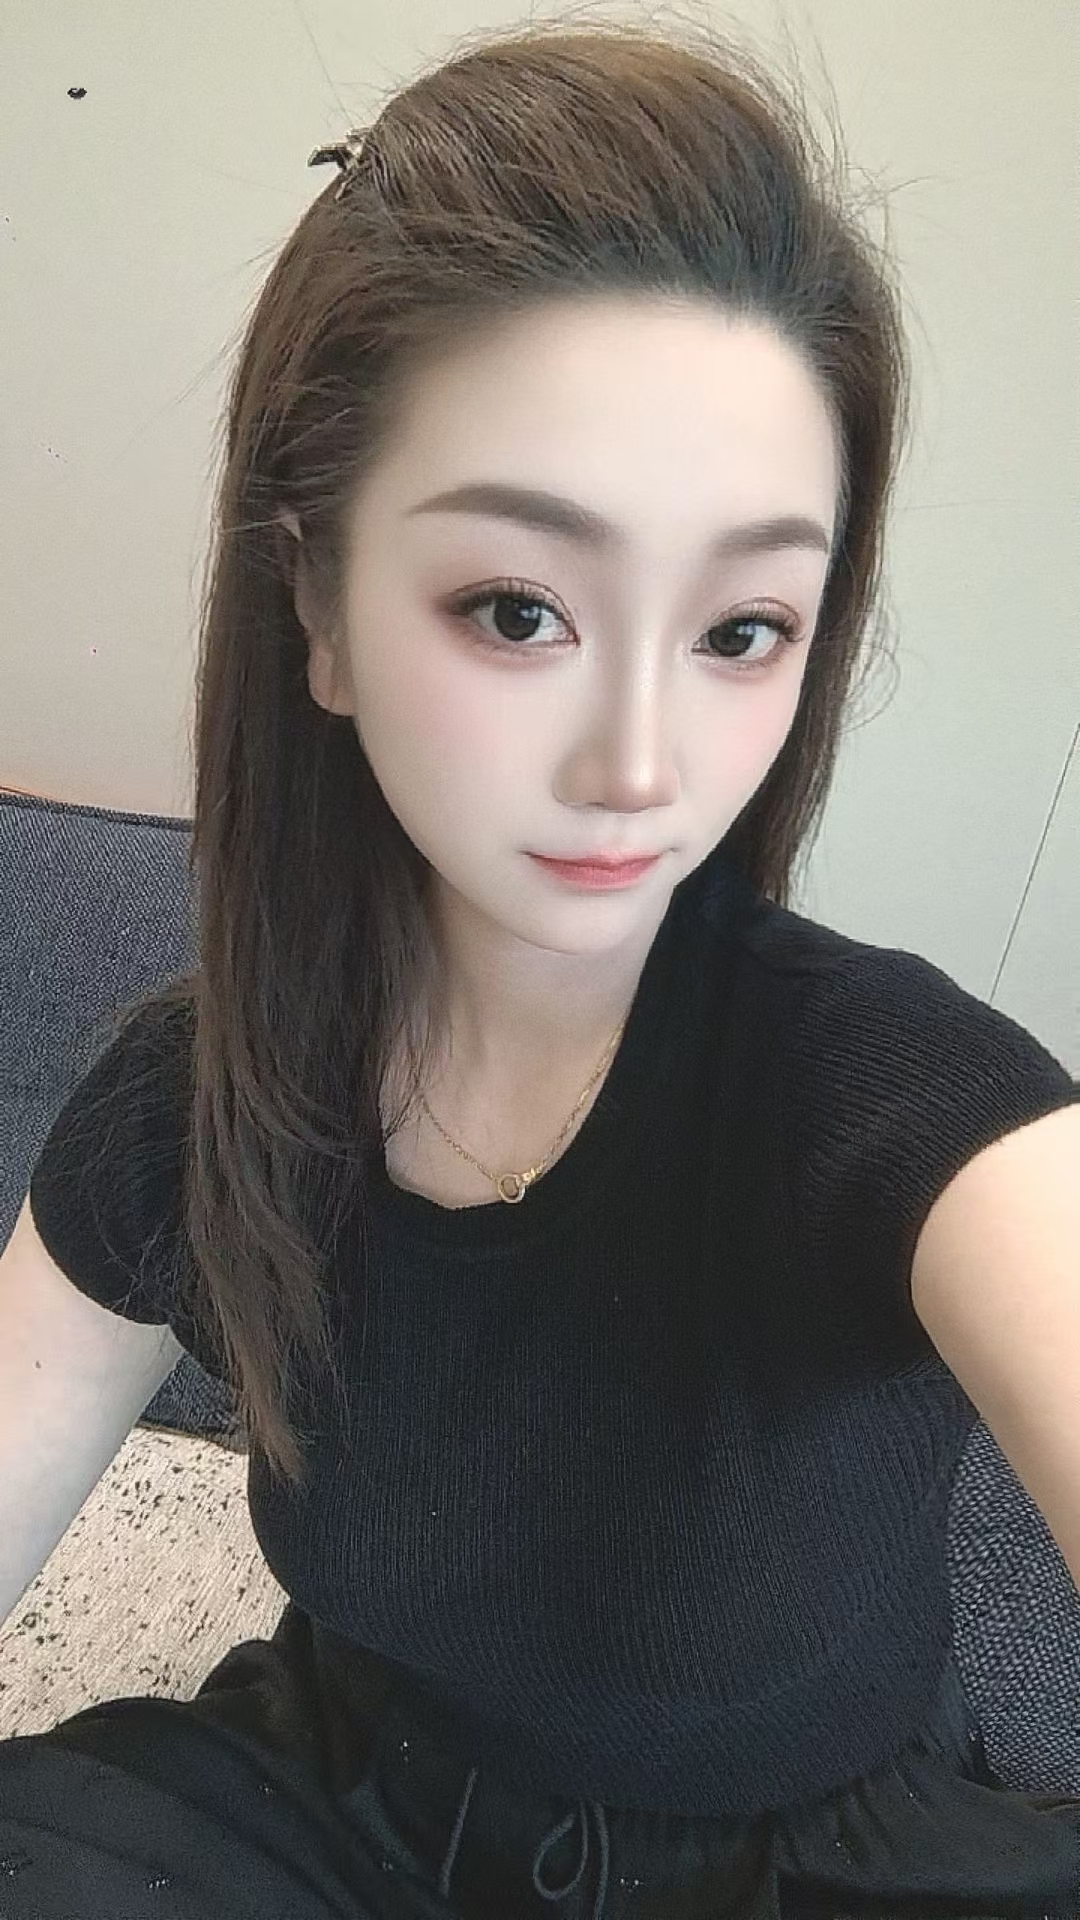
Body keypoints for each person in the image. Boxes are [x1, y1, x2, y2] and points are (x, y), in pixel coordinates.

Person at [1, 16, 1077, 1919]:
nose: (641, 765)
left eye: (742, 629)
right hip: (340, 1809)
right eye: (520, 609)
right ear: (317, 602)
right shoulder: (197, 1101)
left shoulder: (895, 1097)